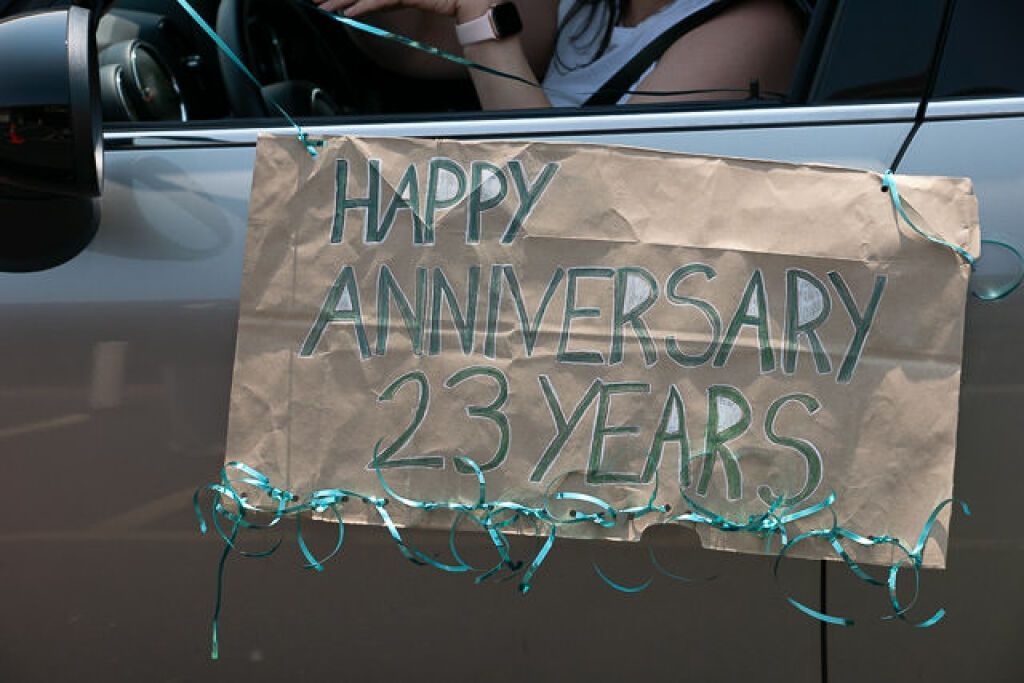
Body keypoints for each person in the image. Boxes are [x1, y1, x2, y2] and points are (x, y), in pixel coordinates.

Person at [313, 0, 806, 110]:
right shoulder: (592, 3)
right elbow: (414, 47)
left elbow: (570, 209)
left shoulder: (753, 29)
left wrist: (480, 18)